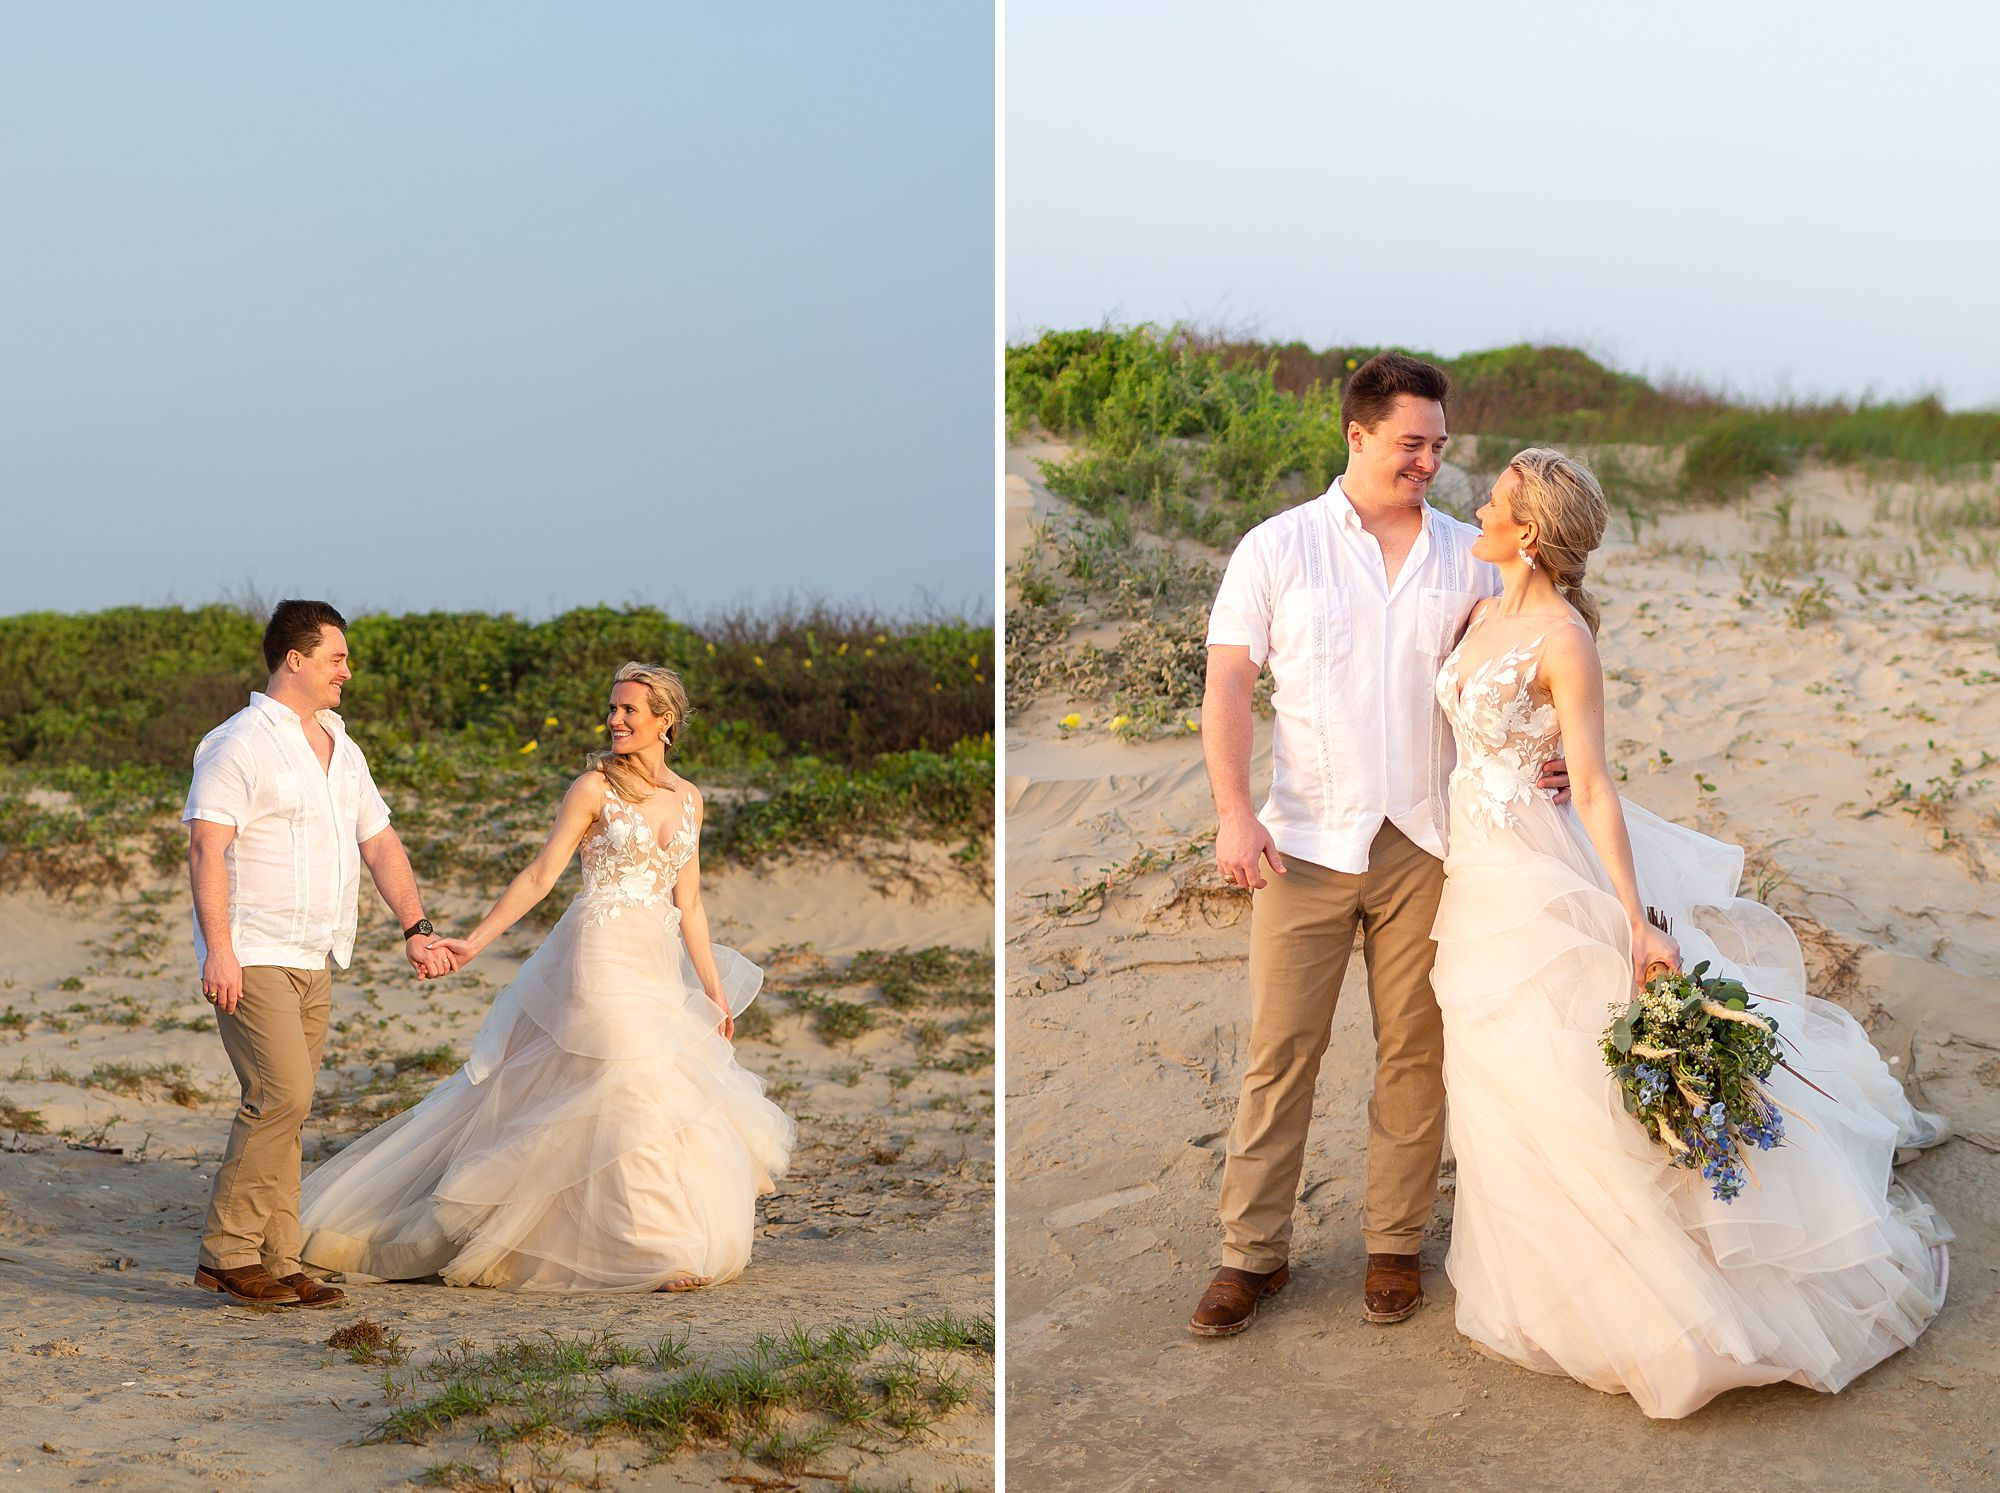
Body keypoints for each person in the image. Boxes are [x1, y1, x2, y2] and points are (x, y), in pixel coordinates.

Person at [1431, 446, 1949, 1417]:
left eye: (1492, 500)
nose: (1477, 509)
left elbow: (1587, 782)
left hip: (1536, 872)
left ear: (1528, 534)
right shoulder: (1474, 613)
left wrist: (1637, 920)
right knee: (1500, 1065)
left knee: (1554, 1065)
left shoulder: (1561, 639)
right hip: (1471, 870)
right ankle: (1535, 1266)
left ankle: (1648, 1293)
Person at [1191, 351, 1543, 1335]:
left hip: (1426, 843)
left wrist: (1543, 751)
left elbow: (1532, 649)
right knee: (1277, 1049)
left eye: (1437, 443)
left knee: (1413, 1050)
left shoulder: (1461, 553)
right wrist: (1231, 810)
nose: (1427, 459)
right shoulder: (1275, 547)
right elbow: (1226, 685)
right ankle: (1248, 1254)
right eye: (1409, 442)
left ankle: (1392, 1241)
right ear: (1355, 435)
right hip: (1298, 842)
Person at [298, 661, 793, 1292]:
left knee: (646, 1091)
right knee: (630, 1082)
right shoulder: (593, 788)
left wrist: (714, 993)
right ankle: (654, 1249)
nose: (614, 720)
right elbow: (540, 876)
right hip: (599, 952)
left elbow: (688, 903)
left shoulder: (691, 798)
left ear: (664, 722)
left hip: (655, 960)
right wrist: (474, 943)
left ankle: (644, 1237)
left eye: (629, 711)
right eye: (612, 709)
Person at [186, 599, 456, 1309]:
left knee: (289, 1111)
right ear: (294, 660)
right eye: (336, 656)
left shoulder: (342, 745)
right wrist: (220, 950)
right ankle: (227, 1252)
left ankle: (277, 1256)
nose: (348, 669)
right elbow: (206, 845)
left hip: (317, 953)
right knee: (281, 1096)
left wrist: (415, 925)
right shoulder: (237, 742)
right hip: (254, 951)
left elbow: (381, 843)